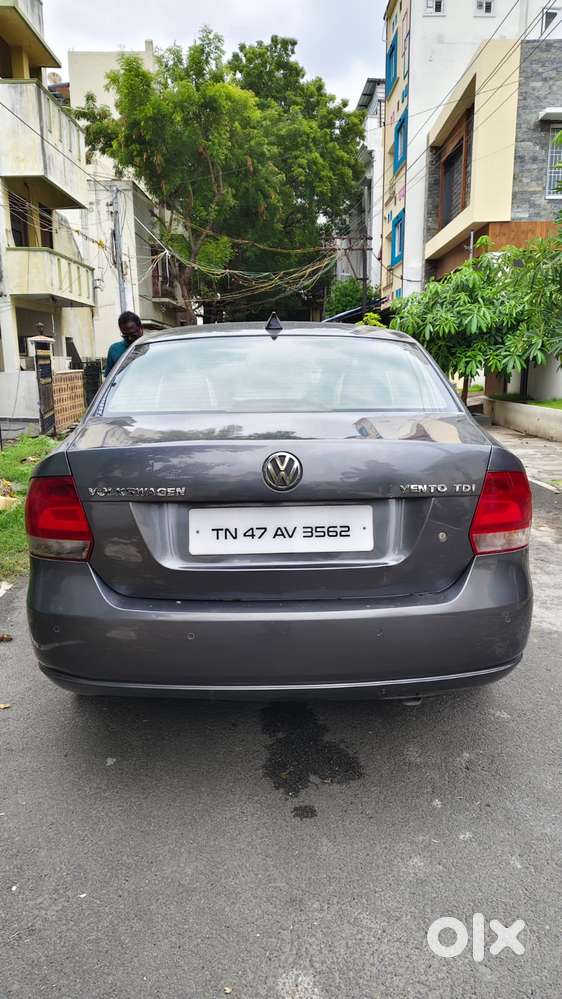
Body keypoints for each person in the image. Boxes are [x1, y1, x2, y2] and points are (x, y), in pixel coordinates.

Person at [105, 311, 143, 376]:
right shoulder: (114, 349)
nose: (130, 338)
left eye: (133, 335)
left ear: (141, 328)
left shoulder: (152, 347)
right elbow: (109, 378)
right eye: (125, 336)